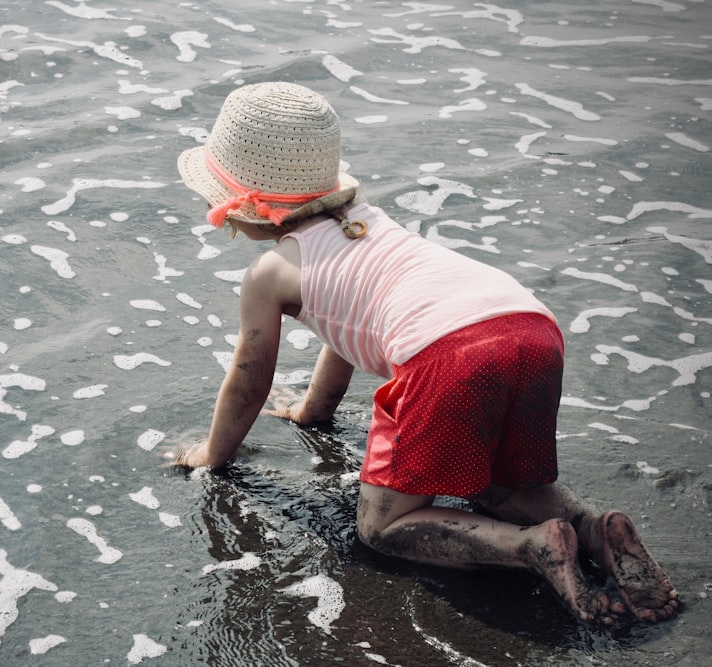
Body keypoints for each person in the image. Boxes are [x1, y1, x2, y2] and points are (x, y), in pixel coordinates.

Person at [173, 81, 678, 625]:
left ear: (247, 206)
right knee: (501, 483)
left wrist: (211, 455)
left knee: (381, 528)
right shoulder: (366, 224)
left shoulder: (270, 274)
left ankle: (529, 547)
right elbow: (343, 332)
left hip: (448, 357)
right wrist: (312, 413)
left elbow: (249, 377)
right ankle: (596, 530)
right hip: (529, 327)